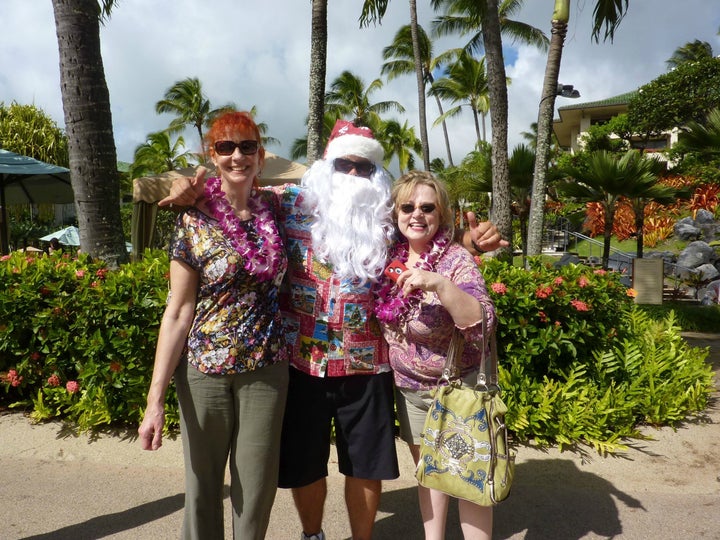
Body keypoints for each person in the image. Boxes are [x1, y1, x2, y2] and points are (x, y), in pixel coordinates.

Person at [161, 119, 507, 540]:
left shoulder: (388, 216)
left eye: (365, 167)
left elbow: (430, 243)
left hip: (368, 366)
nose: (355, 175)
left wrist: (472, 244)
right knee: (305, 464)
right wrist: (190, 192)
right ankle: (313, 536)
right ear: (328, 166)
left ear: (377, 175)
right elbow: (234, 194)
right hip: (301, 361)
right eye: (346, 165)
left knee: (364, 466)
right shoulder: (285, 204)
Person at [137, 111, 289, 540]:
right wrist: (155, 402)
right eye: (226, 147)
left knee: (257, 490)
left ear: (261, 155)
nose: (237, 155)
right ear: (213, 155)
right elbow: (178, 312)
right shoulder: (193, 220)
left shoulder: (278, 207)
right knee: (202, 487)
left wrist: (458, 243)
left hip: (266, 369)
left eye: (247, 146)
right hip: (204, 370)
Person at [375, 170, 496, 539]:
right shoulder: (388, 257)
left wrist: (439, 284)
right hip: (411, 390)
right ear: (395, 213)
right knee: (430, 475)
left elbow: (482, 322)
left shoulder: (455, 260)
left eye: (427, 208)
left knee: (467, 479)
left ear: (440, 214)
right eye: (407, 206)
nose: (417, 215)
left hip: (458, 389)